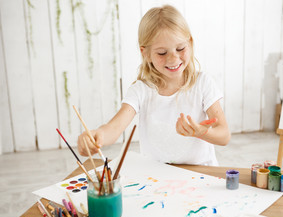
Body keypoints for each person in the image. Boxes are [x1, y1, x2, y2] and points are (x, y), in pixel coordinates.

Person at [77, 5, 230, 166]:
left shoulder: (203, 84)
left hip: (201, 175)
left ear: (190, 43)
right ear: (146, 53)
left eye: (180, 48)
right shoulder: (140, 90)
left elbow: (224, 135)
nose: (173, 59)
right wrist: (97, 135)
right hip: (158, 178)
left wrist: (201, 132)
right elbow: (114, 128)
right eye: (162, 53)